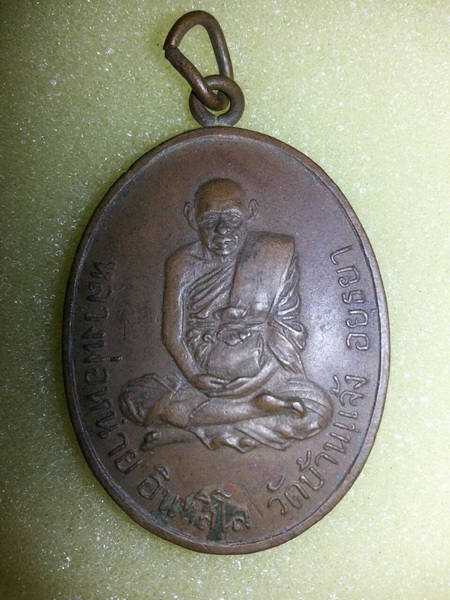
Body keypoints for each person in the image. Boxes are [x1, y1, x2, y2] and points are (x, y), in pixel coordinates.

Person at [120, 178, 331, 452]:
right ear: (191, 217)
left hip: (263, 373)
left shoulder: (275, 254)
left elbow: (286, 330)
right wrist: (194, 376)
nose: (222, 229)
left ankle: (190, 429)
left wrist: (259, 377)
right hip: (201, 375)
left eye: (232, 217)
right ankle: (251, 411)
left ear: (250, 213)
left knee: (317, 412)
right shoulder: (181, 264)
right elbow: (172, 333)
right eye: (210, 220)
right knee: (135, 398)